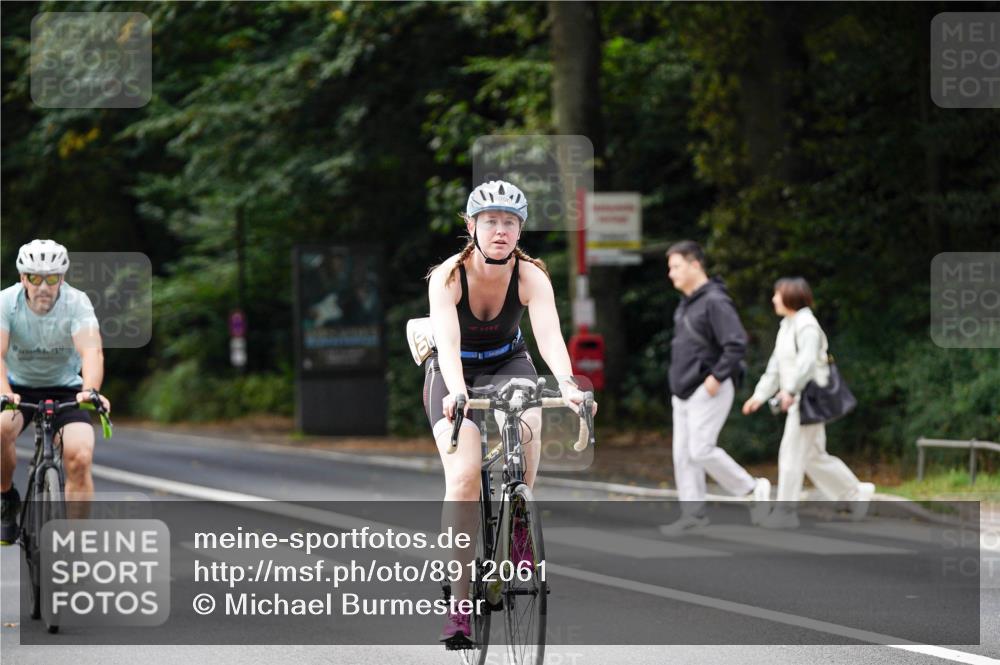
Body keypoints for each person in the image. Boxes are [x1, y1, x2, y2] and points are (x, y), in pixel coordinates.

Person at [424, 180, 594, 646]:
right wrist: (457, 392)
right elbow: (449, 343)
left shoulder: (531, 275)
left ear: (520, 231)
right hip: (453, 371)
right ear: (472, 226)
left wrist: (567, 384)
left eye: (510, 223)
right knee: (462, 478)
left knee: (530, 415)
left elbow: (549, 337)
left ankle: (519, 517)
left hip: (506, 362)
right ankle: (459, 606)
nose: (501, 231)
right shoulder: (448, 275)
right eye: (491, 221)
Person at [1, 239, 111, 543]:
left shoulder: (77, 302)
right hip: (18, 388)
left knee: (80, 456)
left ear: (62, 278)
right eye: (35, 278)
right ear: (23, 277)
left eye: (51, 278)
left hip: (67, 389)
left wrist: (90, 390)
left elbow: (91, 350)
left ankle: (75, 545)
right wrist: (5, 391)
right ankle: (5, 497)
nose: (43, 286)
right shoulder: (5, 302)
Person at [741, 277, 874, 529]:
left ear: (791, 296)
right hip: (799, 399)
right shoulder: (787, 325)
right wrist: (759, 395)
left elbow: (807, 364)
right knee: (813, 456)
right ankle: (855, 492)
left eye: (777, 294)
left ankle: (786, 512)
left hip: (808, 399)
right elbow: (776, 366)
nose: (773, 299)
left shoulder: (806, 325)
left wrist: (789, 390)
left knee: (791, 455)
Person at [661, 241, 770, 536]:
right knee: (683, 456)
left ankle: (751, 488)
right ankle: (693, 514)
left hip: (707, 387)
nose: (671, 274)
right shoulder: (687, 303)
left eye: (676, 267)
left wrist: (716, 377)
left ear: (695, 265)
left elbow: (736, 343)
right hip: (682, 390)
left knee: (700, 449)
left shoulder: (715, 301)